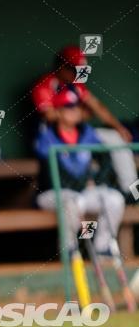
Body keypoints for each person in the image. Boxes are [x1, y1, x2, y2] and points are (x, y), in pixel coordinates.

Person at [32, 45, 136, 195]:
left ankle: (131, 191)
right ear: (62, 66)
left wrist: (118, 127)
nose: (78, 73)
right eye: (74, 69)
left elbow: (96, 107)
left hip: (78, 135)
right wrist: (76, 113)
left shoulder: (76, 85)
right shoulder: (45, 84)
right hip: (53, 138)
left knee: (115, 137)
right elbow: (49, 115)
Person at [34, 86, 125, 255]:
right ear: (59, 111)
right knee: (74, 202)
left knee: (114, 199)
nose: (74, 111)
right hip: (54, 193)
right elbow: (53, 175)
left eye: (77, 106)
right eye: (69, 107)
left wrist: (96, 179)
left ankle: (102, 248)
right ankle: (70, 251)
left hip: (83, 193)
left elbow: (104, 163)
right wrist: (85, 181)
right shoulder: (47, 136)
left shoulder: (87, 133)